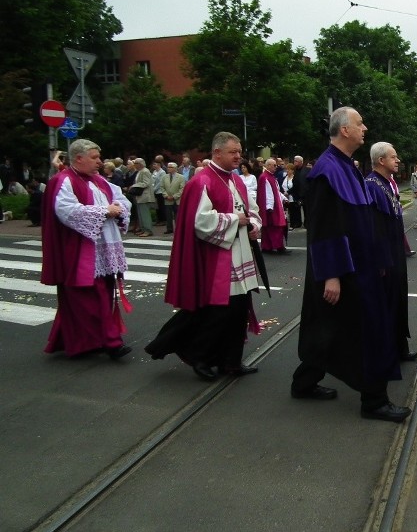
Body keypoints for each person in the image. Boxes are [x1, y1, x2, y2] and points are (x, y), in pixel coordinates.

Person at [290, 107, 411, 423]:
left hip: (360, 266)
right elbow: (322, 227)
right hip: (344, 270)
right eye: (359, 123)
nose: (364, 127)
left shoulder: (346, 167)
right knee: (367, 330)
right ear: (344, 130)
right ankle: (374, 400)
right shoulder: (325, 171)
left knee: (328, 327)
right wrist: (331, 274)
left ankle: (304, 382)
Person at [145, 132, 263, 380]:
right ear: (217, 153)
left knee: (238, 312)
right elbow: (200, 222)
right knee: (217, 314)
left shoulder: (236, 181)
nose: (238, 156)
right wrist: (235, 220)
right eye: (233, 152)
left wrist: (253, 225)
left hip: (240, 254)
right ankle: (202, 359)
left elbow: (251, 209)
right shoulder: (203, 182)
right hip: (216, 259)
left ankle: (231, 362)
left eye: (239, 152)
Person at [41, 140, 133, 360]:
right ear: (78, 158)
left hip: (105, 246)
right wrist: (105, 211)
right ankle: (111, 342)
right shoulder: (63, 181)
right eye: (94, 157)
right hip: (80, 249)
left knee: (99, 296)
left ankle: (85, 341)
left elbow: (121, 200)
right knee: (90, 298)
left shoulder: (100, 181)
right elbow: (67, 211)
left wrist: (118, 209)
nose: (100, 162)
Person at [365, 142, 417, 363]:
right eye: (394, 157)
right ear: (381, 161)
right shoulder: (372, 185)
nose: (398, 161)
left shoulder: (386, 183)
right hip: (385, 257)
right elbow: (374, 228)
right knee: (386, 303)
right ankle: (387, 350)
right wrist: (381, 262)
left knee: (397, 299)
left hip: (395, 252)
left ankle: (398, 346)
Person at [258, 158, 289, 254]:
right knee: (275, 227)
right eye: (274, 165)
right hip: (271, 207)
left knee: (271, 227)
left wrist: (283, 198)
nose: (276, 167)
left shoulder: (270, 177)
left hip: (273, 205)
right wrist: (269, 207)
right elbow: (268, 194)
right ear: (268, 166)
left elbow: (276, 191)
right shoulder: (265, 177)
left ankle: (268, 247)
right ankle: (277, 247)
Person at [130, 158, 155, 237]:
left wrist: (134, 186)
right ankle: (143, 229)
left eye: (136, 163)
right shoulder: (140, 171)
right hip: (140, 196)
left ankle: (148, 230)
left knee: (145, 214)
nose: (135, 165)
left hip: (145, 196)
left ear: (140, 164)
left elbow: (146, 183)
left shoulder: (145, 171)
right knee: (141, 214)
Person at [161, 161, 185, 235]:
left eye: (170, 167)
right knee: (168, 215)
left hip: (177, 200)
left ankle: (178, 229)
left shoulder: (181, 177)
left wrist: (174, 196)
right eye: (168, 167)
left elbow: (182, 188)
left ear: (175, 168)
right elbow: (162, 187)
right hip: (167, 199)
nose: (168, 168)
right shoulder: (164, 177)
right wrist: (165, 195)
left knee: (177, 215)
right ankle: (169, 229)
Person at [289, 155, 308, 228]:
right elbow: (295, 183)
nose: (294, 162)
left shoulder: (307, 170)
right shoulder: (295, 171)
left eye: (296, 161)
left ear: (300, 162)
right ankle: (298, 223)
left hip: (305, 195)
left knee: (306, 210)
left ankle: (307, 223)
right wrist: (289, 191)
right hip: (297, 194)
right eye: (294, 160)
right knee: (297, 210)